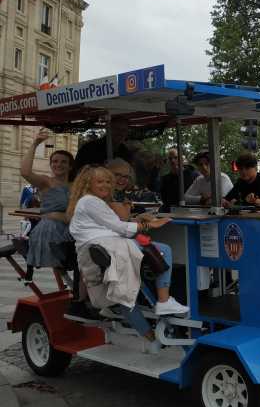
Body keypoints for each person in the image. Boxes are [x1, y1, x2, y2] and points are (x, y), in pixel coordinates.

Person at [67, 166, 188, 351]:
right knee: (163, 250)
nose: (105, 185)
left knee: (124, 295)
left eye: (108, 181)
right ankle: (164, 301)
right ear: (88, 184)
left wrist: (138, 221)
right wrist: (149, 225)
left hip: (96, 253)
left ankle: (151, 338)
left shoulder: (87, 202)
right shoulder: (91, 201)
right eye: (100, 181)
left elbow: (118, 224)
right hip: (108, 246)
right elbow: (119, 226)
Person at [20, 128, 74, 271]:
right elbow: (25, 172)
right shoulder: (46, 182)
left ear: (70, 166)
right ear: (50, 164)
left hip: (71, 229)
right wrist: (35, 143)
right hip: (51, 232)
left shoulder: (76, 185)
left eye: (64, 162)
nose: (58, 164)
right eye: (55, 161)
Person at [159, 148, 199, 212]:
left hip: (191, 212)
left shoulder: (194, 175)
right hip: (171, 214)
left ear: (182, 159)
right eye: (170, 158)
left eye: (176, 157)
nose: (173, 161)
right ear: (167, 161)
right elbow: (165, 200)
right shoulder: (165, 179)